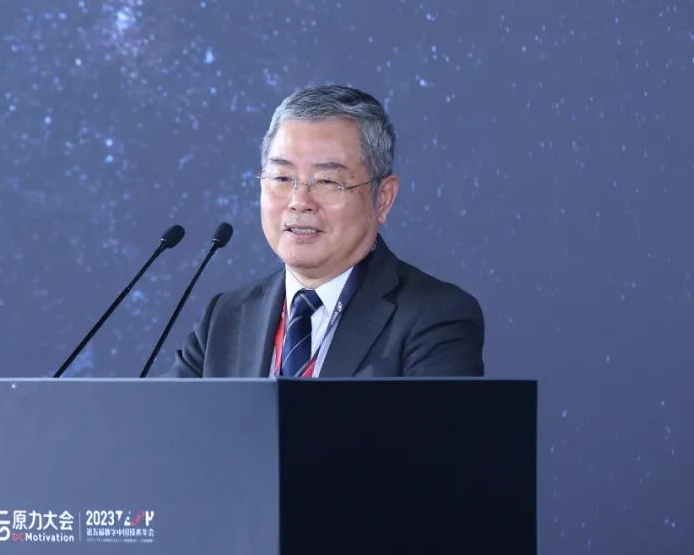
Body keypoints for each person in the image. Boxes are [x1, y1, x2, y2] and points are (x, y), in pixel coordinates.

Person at [166, 85, 484, 378]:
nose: (299, 202)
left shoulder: (435, 317)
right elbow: (163, 419)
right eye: (282, 178)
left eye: (328, 182)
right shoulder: (225, 318)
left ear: (383, 198)